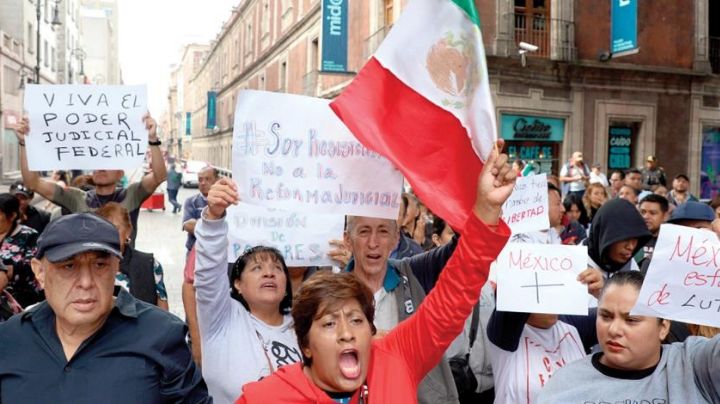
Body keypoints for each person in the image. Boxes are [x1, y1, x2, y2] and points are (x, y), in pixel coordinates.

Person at [236, 141, 516, 403]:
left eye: (357, 320)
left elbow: (453, 295)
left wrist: (487, 209)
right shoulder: (267, 396)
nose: (347, 333)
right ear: (305, 345)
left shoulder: (398, 358)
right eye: (330, 323)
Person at [0, 213, 210, 403]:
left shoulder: (163, 335)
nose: (86, 282)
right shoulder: (10, 339)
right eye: (68, 266)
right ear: (40, 272)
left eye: (99, 265)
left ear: (116, 267)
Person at [194, 177, 302, 403]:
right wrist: (214, 218)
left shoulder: (304, 326)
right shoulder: (221, 319)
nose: (269, 273)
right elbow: (208, 273)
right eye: (257, 268)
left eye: (277, 268)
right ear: (237, 284)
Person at [537, 271, 719, 404]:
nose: (614, 329)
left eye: (631, 320)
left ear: (663, 328)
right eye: (606, 316)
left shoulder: (696, 365)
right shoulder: (565, 384)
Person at [13, 115, 167, 247]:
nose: (101, 167)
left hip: (122, 273)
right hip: (86, 272)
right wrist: (24, 143)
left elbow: (159, 176)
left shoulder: (132, 195)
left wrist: (153, 139)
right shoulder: (75, 198)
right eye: (97, 162)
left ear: (120, 174)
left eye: (108, 163)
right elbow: (33, 182)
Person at [95, 203, 169, 310]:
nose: (109, 235)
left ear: (128, 231)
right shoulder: (89, 267)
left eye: (115, 229)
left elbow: (164, 316)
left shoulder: (149, 265)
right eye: (104, 229)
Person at [181, 165, 219, 367]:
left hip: (219, 261)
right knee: (194, 304)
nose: (202, 182)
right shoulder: (192, 201)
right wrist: (212, 225)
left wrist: (201, 225)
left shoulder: (225, 203)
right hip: (195, 257)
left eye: (207, 179)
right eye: (200, 178)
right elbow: (187, 224)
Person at [583, 198, 651, 290]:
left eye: (635, 239)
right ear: (605, 236)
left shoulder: (630, 266)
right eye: (625, 239)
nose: (630, 247)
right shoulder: (574, 263)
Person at [0, 193, 41, 309]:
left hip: (21, 299)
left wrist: (8, 270)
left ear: (12, 216)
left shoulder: (28, 235)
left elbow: (34, 266)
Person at [635, 194, 669, 274]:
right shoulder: (630, 239)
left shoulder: (672, 243)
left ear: (665, 216)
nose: (646, 216)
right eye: (642, 212)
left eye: (652, 213)